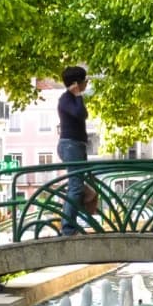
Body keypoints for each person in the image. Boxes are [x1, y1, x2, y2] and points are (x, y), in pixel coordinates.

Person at [57, 65, 91, 234]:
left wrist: (78, 96)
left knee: (77, 185)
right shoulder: (66, 99)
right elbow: (80, 114)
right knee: (76, 186)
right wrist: (77, 95)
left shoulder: (72, 98)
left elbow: (82, 114)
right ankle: (68, 228)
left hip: (76, 145)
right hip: (70, 145)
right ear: (77, 83)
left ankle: (71, 224)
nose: (87, 84)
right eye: (85, 81)